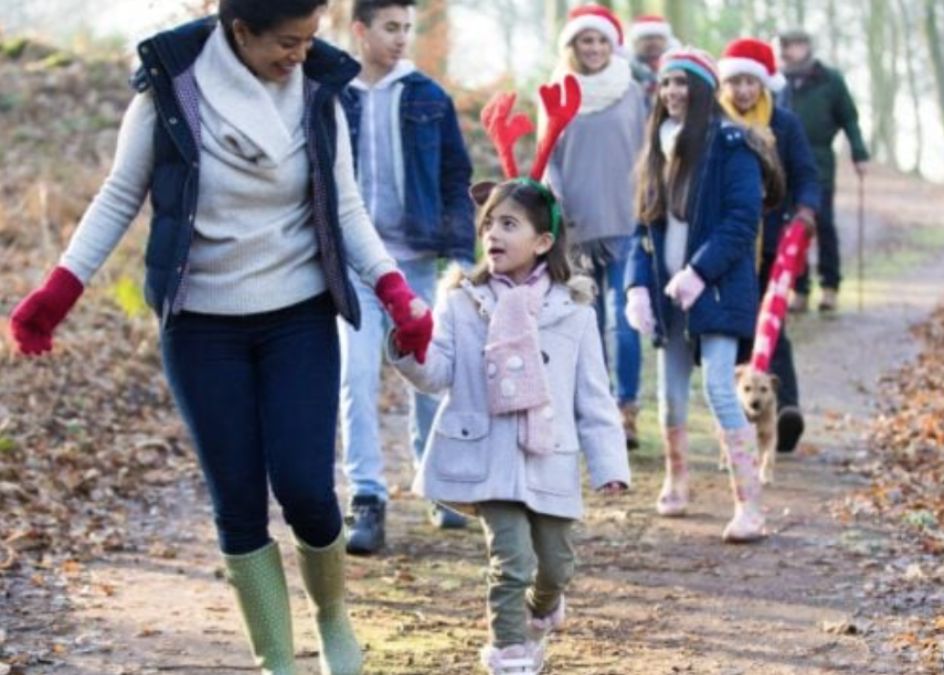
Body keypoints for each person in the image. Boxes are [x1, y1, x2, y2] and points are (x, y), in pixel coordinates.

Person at [6, 2, 436, 672]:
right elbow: (121, 193)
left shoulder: (320, 90)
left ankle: (330, 613)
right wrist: (59, 289)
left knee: (307, 491)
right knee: (237, 501)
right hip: (202, 326)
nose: (299, 55)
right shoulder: (172, 87)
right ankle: (276, 659)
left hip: (297, 313)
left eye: (309, 39)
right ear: (240, 31)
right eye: (286, 43)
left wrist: (393, 289)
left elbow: (346, 205)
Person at [387, 179, 631, 674]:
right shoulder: (463, 301)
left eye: (509, 224)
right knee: (512, 560)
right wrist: (411, 345)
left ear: (543, 242)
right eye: (488, 224)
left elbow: (593, 397)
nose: (492, 234)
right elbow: (436, 373)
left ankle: (542, 611)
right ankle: (510, 653)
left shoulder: (574, 310)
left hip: (551, 456)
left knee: (557, 566)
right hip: (489, 456)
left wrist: (609, 464)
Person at [338, 0, 475, 553]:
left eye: (407, 29)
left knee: (429, 376)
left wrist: (460, 255)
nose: (400, 39)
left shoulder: (427, 96)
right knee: (356, 375)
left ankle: (437, 481)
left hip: (415, 260)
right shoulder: (330, 94)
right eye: (390, 28)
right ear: (360, 30)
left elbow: (455, 176)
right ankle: (366, 498)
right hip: (351, 264)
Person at [624, 48, 775, 543]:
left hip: (716, 290)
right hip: (668, 297)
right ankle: (676, 478)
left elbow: (740, 222)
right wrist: (636, 287)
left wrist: (698, 271)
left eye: (684, 84)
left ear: (704, 90)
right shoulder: (655, 148)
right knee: (669, 398)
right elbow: (642, 229)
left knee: (716, 386)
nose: (673, 93)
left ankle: (749, 504)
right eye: (667, 84)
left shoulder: (731, 145)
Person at [546, 4, 647, 449]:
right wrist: (556, 204)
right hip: (575, 223)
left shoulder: (632, 90)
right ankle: (596, 409)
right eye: (585, 40)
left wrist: (650, 208)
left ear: (613, 44)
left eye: (601, 40)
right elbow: (549, 156)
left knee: (625, 319)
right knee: (587, 321)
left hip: (626, 219)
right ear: (572, 46)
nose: (593, 48)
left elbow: (648, 151)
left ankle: (627, 409)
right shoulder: (556, 90)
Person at [718, 37, 822, 454]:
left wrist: (806, 211)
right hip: (726, 248)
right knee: (735, 333)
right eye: (736, 82)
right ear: (725, 84)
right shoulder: (711, 125)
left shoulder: (784, 124)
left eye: (751, 83)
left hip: (772, 244)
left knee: (772, 327)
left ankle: (786, 411)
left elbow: (807, 176)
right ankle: (738, 417)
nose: (744, 91)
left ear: (764, 84)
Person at [776, 30, 870, 314]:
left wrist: (859, 153)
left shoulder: (830, 80)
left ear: (807, 47)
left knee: (823, 224)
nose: (792, 50)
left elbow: (849, 119)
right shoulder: (779, 82)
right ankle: (799, 288)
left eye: (797, 45)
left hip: (819, 163)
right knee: (791, 227)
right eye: (787, 46)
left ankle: (830, 286)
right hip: (784, 164)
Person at [628, 14, 679, 102]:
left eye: (658, 38)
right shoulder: (626, 70)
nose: (654, 42)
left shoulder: (677, 67)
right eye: (648, 38)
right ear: (635, 42)